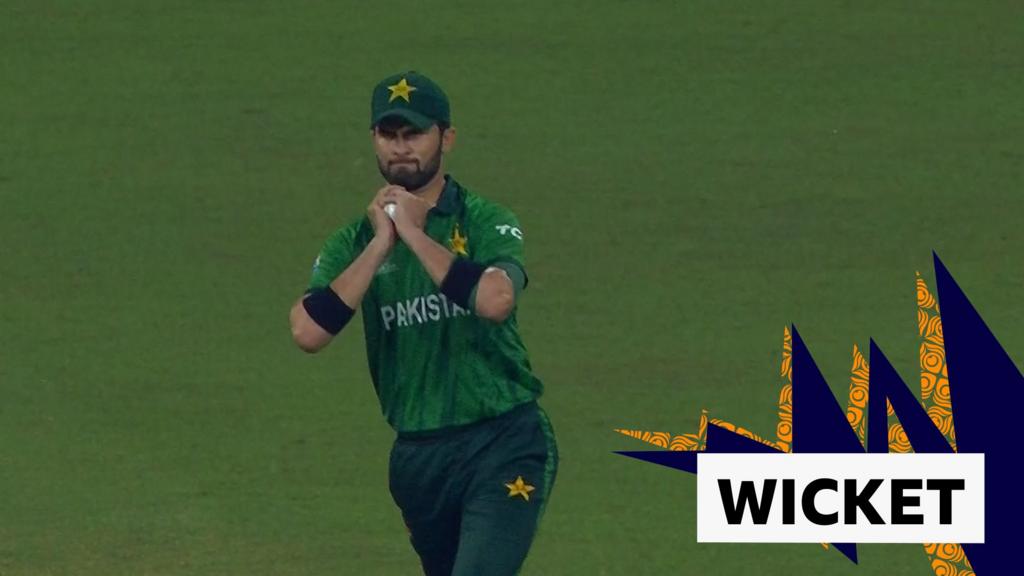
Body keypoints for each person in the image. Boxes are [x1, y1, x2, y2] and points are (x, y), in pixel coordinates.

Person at [288, 71, 558, 576]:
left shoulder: (482, 219)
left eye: (414, 133)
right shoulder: (353, 242)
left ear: (446, 138)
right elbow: (308, 331)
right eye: (388, 134)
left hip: (502, 443)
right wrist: (380, 245)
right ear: (374, 139)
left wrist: (413, 234)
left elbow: (496, 299)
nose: (401, 148)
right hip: (419, 458)